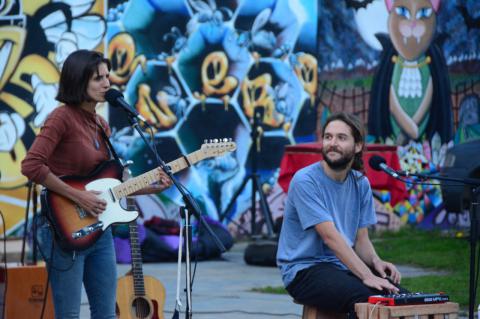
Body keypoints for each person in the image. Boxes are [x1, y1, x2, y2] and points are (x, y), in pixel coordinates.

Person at [21, 49, 172, 318]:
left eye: (107, 77)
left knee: (106, 313)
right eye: (97, 78)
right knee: (68, 315)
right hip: (63, 230)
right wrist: (78, 197)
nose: (106, 83)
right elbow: (31, 165)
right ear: (79, 81)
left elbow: (112, 184)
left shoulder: (101, 124)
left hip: (100, 230)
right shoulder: (61, 118)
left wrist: (152, 186)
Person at [277, 112, 404, 315]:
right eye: (328, 137)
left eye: (341, 137)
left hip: (341, 267)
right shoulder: (305, 181)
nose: (332, 143)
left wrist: (375, 262)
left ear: (358, 145)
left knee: (399, 297)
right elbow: (330, 237)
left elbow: (361, 240)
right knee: (368, 299)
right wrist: (366, 275)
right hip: (304, 270)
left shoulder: (360, 183)